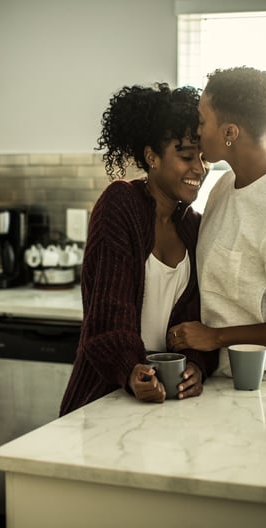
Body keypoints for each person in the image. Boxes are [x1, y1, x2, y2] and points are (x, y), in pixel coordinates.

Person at [59, 83, 219, 416]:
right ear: (151, 157)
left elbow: (200, 320)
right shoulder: (121, 204)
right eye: (187, 156)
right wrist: (131, 371)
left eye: (204, 158)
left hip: (167, 405)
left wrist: (197, 367)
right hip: (107, 397)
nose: (200, 169)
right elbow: (106, 317)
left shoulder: (194, 226)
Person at [168, 66, 266, 382]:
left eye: (202, 121)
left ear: (230, 132)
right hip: (219, 380)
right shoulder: (223, 187)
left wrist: (215, 337)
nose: (198, 131)